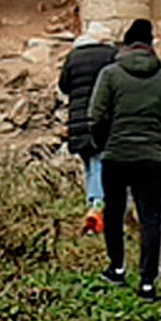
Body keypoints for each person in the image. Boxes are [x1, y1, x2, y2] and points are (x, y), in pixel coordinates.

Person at [89, 18, 161, 302]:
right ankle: (147, 283)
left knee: (114, 213)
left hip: (116, 155)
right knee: (151, 218)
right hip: (151, 159)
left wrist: (104, 144)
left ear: (127, 44)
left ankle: (117, 268)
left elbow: (96, 116)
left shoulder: (110, 75)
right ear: (150, 45)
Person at [58, 20, 118, 234]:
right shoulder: (111, 55)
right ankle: (98, 205)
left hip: (77, 119)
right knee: (101, 160)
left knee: (89, 162)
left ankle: (93, 203)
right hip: (102, 118)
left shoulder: (73, 56)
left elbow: (63, 85)